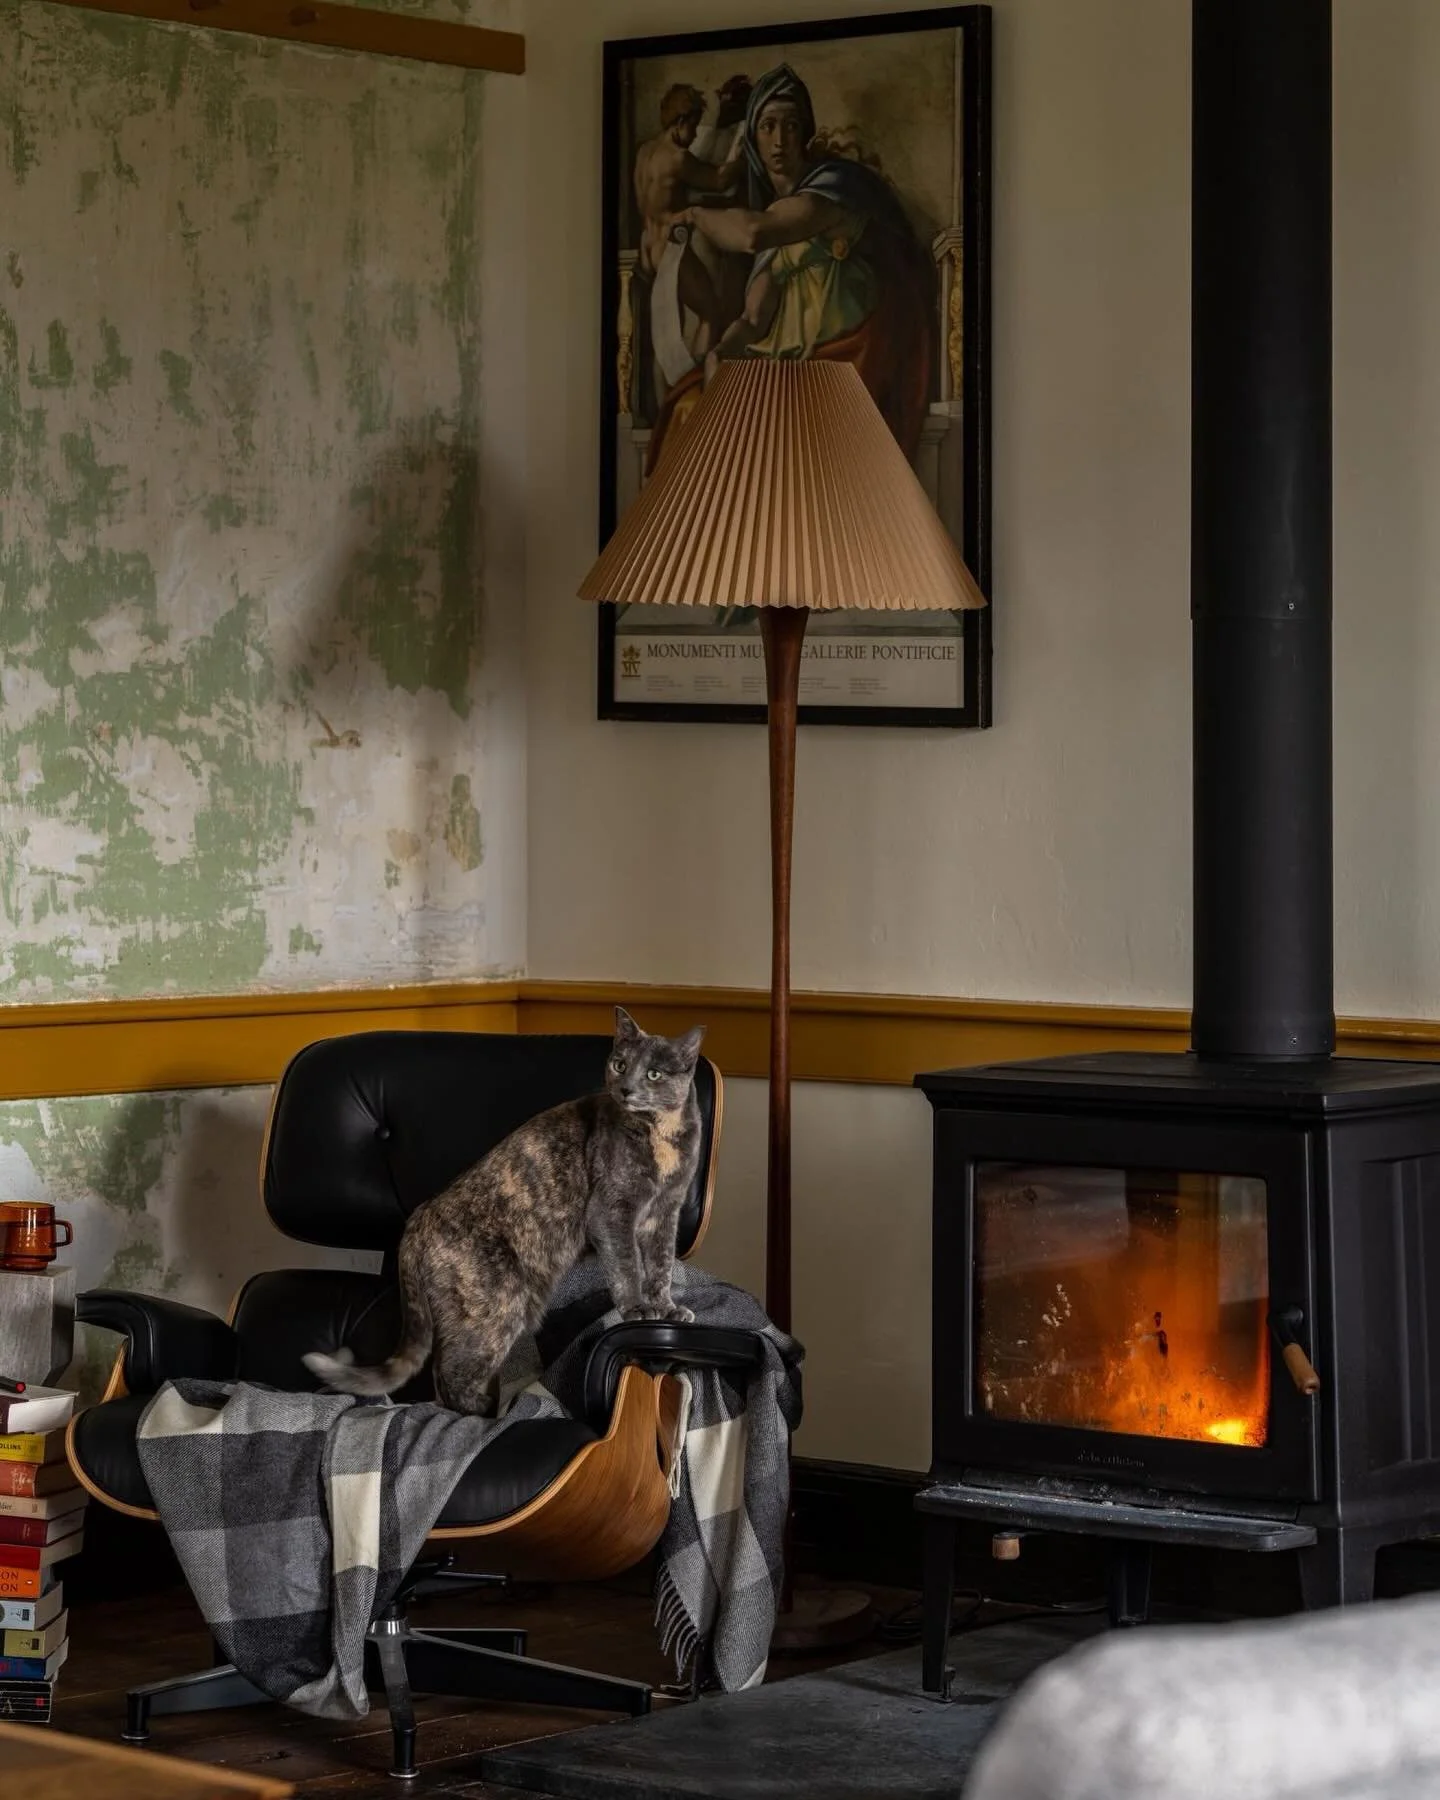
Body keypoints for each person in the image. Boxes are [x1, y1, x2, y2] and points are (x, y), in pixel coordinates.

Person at [645, 62, 936, 473]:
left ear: (805, 133)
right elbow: (753, 316)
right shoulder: (779, 219)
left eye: (791, 125)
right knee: (686, 409)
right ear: (753, 140)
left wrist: (693, 214)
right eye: (767, 127)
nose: (779, 140)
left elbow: (751, 234)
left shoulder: (832, 189)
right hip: (791, 368)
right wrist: (721, 354)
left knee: (783, 432)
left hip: (847, 360)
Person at [633, 84, 744, 358]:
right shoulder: (678, 158)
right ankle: (694, 391)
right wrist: (743, 150)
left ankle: (675, 394)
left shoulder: (645, 151)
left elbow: (657, 202)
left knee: (667, 339)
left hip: (646, 245)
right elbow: (719, 180)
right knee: (711, 315)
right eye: (693, 127)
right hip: (668, 249)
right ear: (680, 122)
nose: (695, 135)